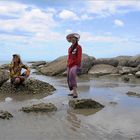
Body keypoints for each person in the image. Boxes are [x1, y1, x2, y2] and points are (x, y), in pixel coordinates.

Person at [66, 33, 82, 98]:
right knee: (68, 78)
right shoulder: (69, 48)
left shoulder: (78, 47)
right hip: (69, 65)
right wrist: (68, 64)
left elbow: (79, 57)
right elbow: (69, 57)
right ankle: (73, 92)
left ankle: (75, 93)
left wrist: (77, 64)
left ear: (76, 39)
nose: (72, 39)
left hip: (75, 65)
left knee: (72, 76)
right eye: (71, 38)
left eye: (73, 38)